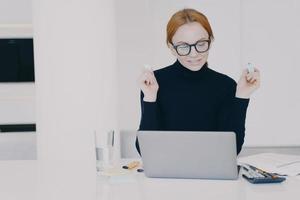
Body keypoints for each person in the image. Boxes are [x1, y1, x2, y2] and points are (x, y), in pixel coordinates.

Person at [136, 8, 260, 155]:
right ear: (171, 48)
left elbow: (232, 149)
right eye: (183, 46)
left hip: (212, 175)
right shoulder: (155, 83)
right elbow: (145, 150)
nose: (194, 54)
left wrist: (242, 96)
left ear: (210, 41)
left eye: (201, 44)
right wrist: (150, 98)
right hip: (167, 176)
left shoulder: (226, 86)